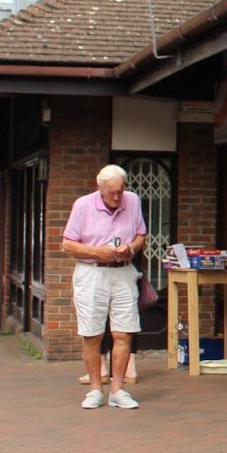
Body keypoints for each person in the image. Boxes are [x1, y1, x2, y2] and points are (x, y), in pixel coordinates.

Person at [62, 164, 147, 410]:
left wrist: (130, 248)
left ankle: (118, 390)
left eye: (120, 191)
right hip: (92, 272)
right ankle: (95, 389)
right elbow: (68, 244)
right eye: (112, 193)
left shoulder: (132, 201)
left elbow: (141, 235)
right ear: (100, 188)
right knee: (92, 334)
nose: (117, 197)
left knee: (124, 332)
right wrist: (97, 252)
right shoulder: (83, 205)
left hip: (123, 271)